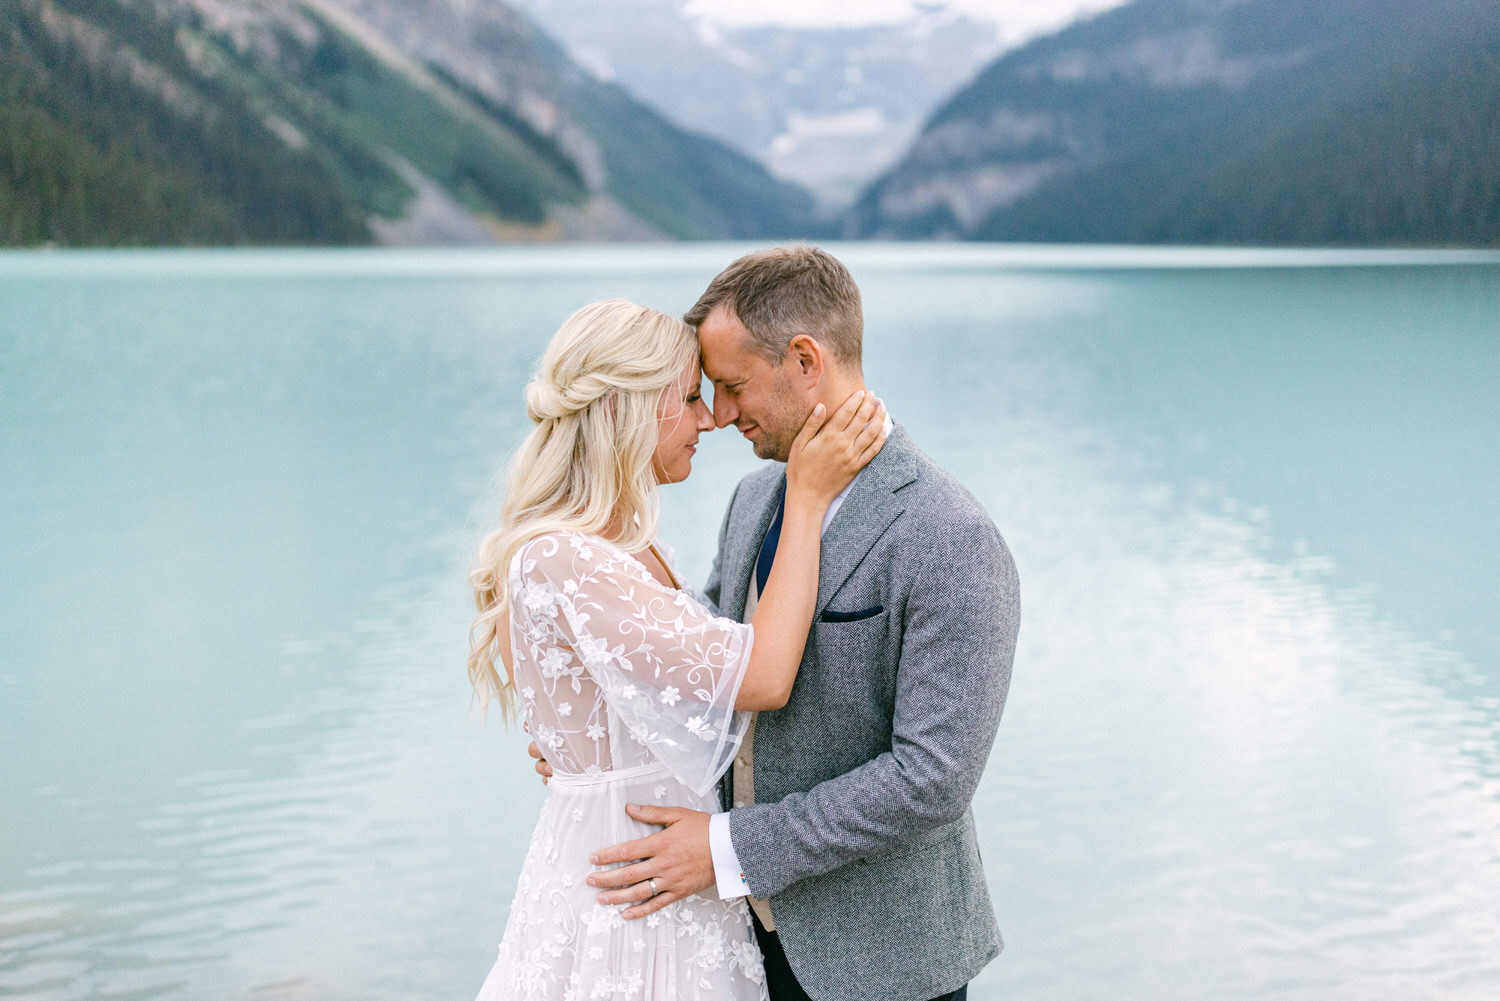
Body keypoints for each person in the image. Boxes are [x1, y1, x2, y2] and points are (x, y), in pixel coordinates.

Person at [535, 247, 1020, 1001]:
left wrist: (728, 848)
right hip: (734, 948)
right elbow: (701, 670)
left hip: (883, 966)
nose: (721, 415)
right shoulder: (755, 499)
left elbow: (933, 779)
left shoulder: (950, 535)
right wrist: (600, 731)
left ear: (803, 360)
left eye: (731, 386)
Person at [466, 298, 888, 1001]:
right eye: (689, 398)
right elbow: (762, 675)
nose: (710, 418)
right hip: (631, 903)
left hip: (664, 877)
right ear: (625, 410)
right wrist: (807, 499)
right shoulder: (566, 558)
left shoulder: (625, 546)